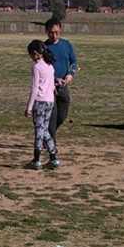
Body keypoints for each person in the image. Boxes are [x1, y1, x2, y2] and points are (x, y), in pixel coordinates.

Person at [25, 40, 60, 169]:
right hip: (50, 101)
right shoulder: (50, 66)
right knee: (44, 130)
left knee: (39, 131)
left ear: (35, 53)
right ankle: (53, 157)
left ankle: (36, 159)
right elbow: (51, 86)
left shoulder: (36, 67)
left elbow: (34, 88)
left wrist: (29, 107)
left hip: (40, 102)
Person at [44, 18, 78, 141]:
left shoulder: (66, 45)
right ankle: (51, 147)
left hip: (63, 86)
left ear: (60, 30)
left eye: (56, 32)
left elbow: (74, 62)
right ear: (46, 31)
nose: (54, 35)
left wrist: (70, 75)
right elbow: (41, 69)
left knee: (62, 116)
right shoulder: (44, 48)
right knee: (51, 118)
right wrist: (52, 80)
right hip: (49, 89)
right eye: (51, 32)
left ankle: (46, 136)